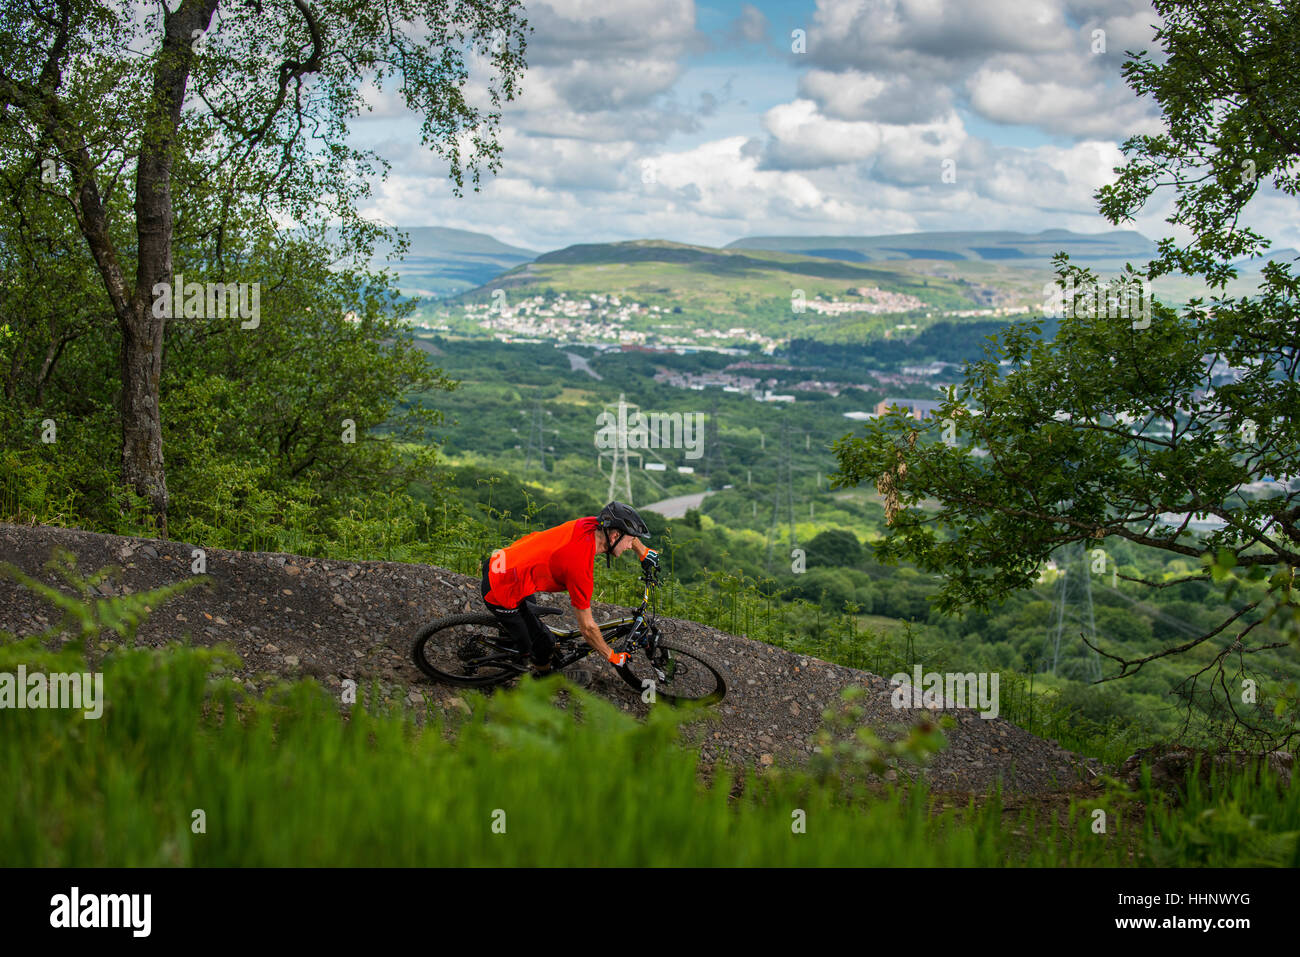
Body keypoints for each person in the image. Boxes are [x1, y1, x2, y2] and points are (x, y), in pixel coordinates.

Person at [479, 501, 660, 675]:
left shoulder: (589, 525)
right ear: (614, 536)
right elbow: (588, 629)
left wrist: (643, 551)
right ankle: (540, 674)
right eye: (631, 541)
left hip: (504, 561)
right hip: (500, 587)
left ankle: (511, 636)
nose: (630, 546)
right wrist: (611, 656)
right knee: (543, 644)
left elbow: (623, 531)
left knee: (529, 623)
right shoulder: (579, 567)